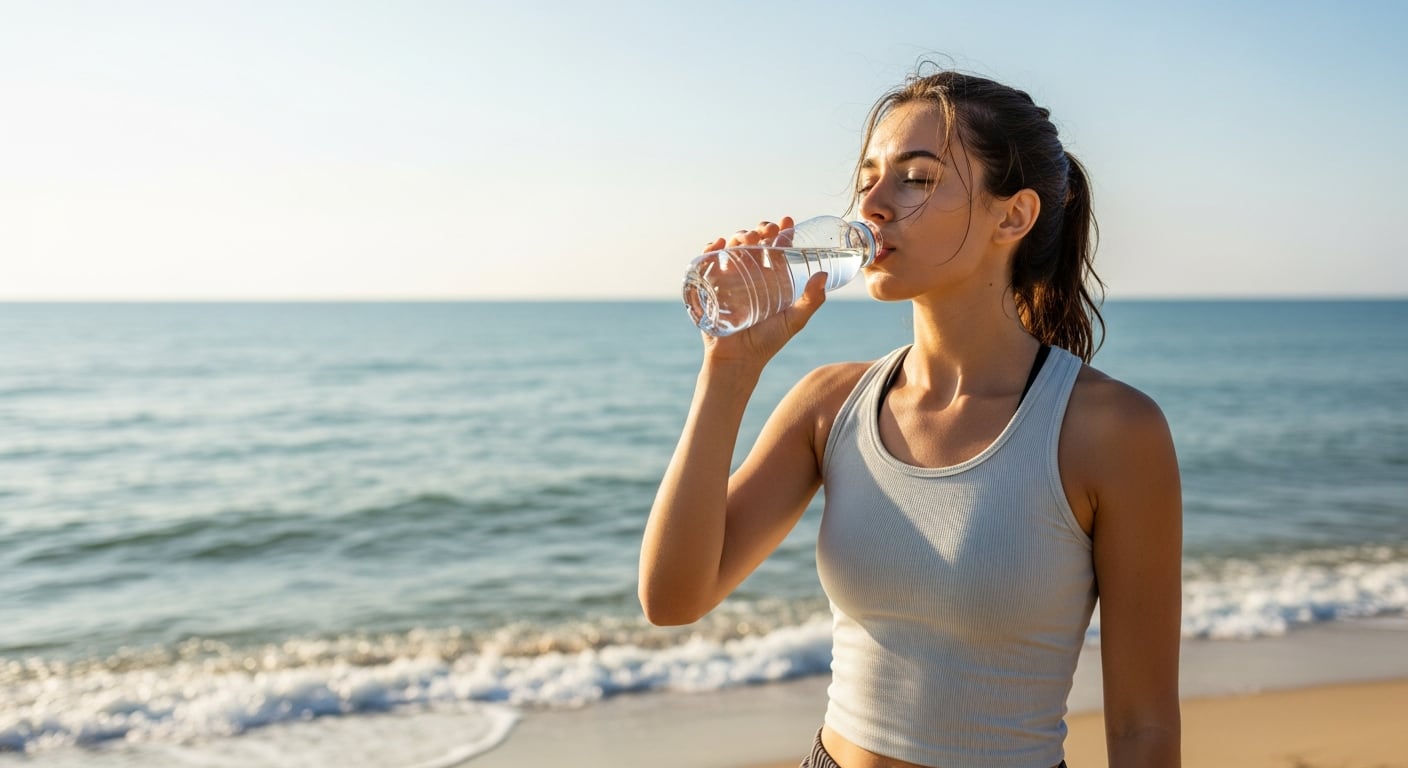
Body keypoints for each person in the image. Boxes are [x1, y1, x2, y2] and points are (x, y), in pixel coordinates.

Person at [639, 67, 1182, 768]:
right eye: (868, 177)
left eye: (916, 179)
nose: (872, 204)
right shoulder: (829, 404)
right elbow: (673, 598)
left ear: (1011, 216)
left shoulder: (1108, 430)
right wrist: (728, 369)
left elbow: (1143, 727)